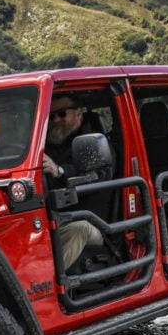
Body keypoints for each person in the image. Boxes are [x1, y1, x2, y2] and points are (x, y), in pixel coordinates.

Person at [42, 94, 106, 270]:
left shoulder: (96, 144)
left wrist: (60, 171)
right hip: (50, 221)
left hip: (94, 223)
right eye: (51, 115)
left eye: (62, 114)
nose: (55, 120)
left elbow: (98, 176)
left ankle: (44, 289)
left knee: (80, 228)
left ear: (79, 113)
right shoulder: (43, 146)